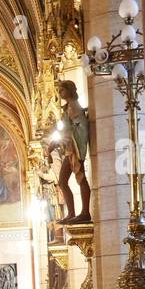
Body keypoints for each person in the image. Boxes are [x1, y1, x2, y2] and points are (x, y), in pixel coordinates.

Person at [53, 80, 92, 223]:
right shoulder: (68, 107)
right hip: (69, 149)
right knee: (62, 181)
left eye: (62, 90)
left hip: (75, 147)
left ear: (70, 90)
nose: (60, 93)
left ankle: (85, 212)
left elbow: (79, 128)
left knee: (81, 178)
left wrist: (61, 138)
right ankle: (71, 213)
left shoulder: (74, 106)